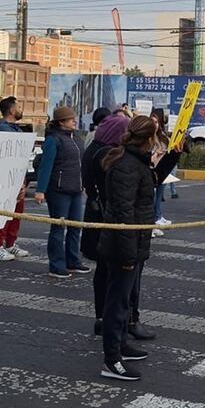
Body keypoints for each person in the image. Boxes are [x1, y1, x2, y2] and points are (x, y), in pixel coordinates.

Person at [98, 116, 160, 381]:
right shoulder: (127, 165)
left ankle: (122, 343)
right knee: (117, 302)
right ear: (148, 138)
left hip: (134, 242)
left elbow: (150, 185)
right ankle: (112, 360)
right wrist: (128, 255)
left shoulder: (135, 161)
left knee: (124, 299)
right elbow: (123, 213)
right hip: (124, 245)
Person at [81, 113, 130, 338]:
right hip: (105, 217)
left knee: (103, 270)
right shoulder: (106, 154)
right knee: (109, 271)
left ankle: (102, 317)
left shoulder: (93, 148)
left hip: (95, 212)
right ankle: (108, 321)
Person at [36, 106, 88, 279]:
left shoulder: (77, 138)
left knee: (75, 227)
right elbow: (46, 166)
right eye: (71, 118)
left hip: (76, 189)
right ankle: (56, 265)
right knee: (58, 229)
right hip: (58, 190)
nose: (75, 120)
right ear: (61, 122)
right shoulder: (54, 140)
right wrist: (40, 190)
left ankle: (73, 261)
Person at [0, 96, 31, 262]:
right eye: (18, 106)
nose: (21, 109)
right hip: (6, 179)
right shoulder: (3, 130)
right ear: (12, 110)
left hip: (18, 177)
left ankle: (10, 243)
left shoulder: (15, 130)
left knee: (16, 213)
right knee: (4, 212)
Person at [149, 110, 171, 237]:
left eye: (157, 122)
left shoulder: (161, 136)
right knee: (150, 199)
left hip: (161, 170)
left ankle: (156, 219)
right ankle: (151, 225)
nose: (155, 125)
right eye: (152, 122)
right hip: (150, 171)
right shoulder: (146, 138)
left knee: (158, 197)